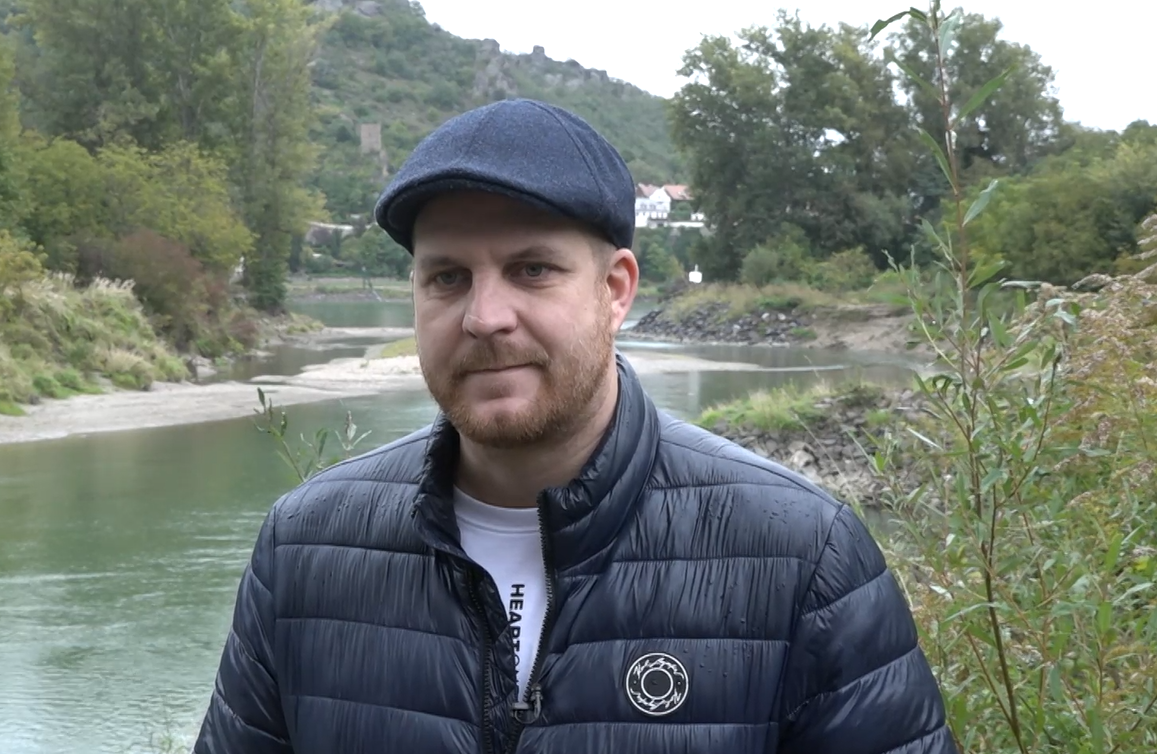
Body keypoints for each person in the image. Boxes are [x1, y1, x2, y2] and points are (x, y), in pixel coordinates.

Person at [192, 98, 956, 754]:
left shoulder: (803, 556)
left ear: (615, 291)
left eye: (531, 270)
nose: (484, 317)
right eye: (447, 277)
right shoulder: (303, 549)